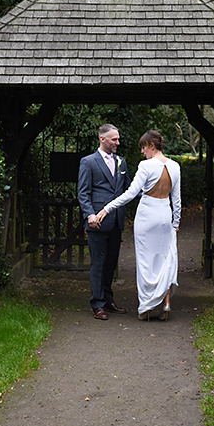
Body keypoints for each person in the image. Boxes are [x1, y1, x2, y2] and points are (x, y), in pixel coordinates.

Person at [96, 130, 181, 321]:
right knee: (165, 259)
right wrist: (176, 222)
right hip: (165, 214)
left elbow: (130, 193)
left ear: (151, 145)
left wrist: (106, 208)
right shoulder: (175, 166)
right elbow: (177, 199)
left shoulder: (146, 166)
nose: (142, 152)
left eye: (143, 147)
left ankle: (146, 307)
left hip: (147, 216)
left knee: (145, 261)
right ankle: (166, 302)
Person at [77, 124, 132, 321]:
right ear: (102, 139)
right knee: (98, 264)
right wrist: (89, 215)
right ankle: (97, 303)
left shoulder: (121, 162)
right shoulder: (88, 162)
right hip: (97, 223)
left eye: (118, 139)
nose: (118, 142)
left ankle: (109, 300)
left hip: (116, 220)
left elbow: (129, 189)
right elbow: (83, 193)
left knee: (111, 263)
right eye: (114, 139)